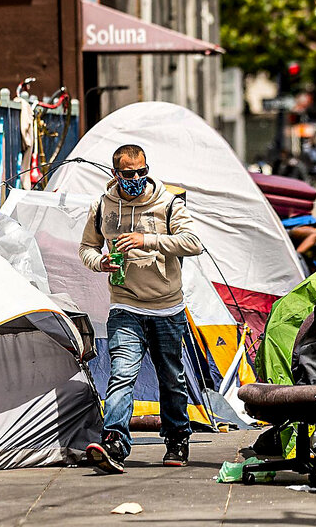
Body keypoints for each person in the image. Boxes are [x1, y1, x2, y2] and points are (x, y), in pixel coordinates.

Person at [79, 144, 203, 474]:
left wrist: (146, 240)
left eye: (141, 171)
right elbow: (87, 247)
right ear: (115, 173)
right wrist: (99, 262)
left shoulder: (167, 202)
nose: (136, 178)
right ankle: (114, 442)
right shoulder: (102, 206)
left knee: (171, 378)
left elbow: (194, 243)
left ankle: (177, 437)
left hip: (166, 308)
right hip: (125, 304)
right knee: (121, 375)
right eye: (128, 173)